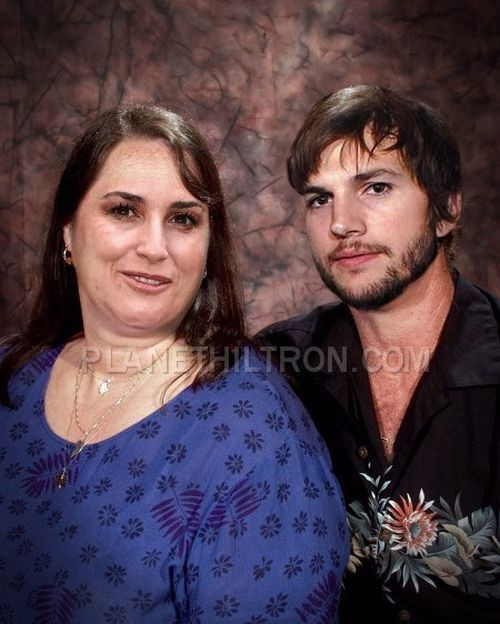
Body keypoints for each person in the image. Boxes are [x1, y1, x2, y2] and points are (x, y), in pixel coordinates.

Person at [0, 104, 349, 622]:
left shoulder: (257, 436)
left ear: (208, 251)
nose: (154, 247)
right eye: (124, 211)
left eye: (183, 219)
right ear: (68, 231)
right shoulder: (13, 374)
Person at [258, 85, 500, 624]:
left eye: (376, 187)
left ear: (447, 209)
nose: (342, 223)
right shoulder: (276, 368)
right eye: (320, 199)